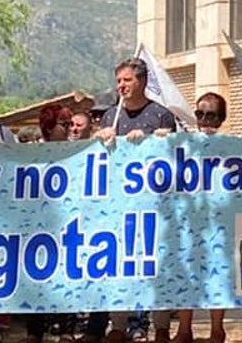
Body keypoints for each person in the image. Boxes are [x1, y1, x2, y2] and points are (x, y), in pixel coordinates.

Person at [94, 59, 177, 343]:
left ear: (141, 81)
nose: (121, 86)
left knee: (157, 266)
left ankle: (161, 326)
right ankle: (118, 324)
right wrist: (100, 138)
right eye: (118, 81)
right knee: (119, 265)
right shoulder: (109, 117)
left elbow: (175, 156)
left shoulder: (161, 115)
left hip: (154, 206)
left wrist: (155, 140)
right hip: (118, 207)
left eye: (127, 80)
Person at [152, 92, 228, 343]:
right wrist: (162, 140)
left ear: (221, 118)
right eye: (199, 113)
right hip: (188, 220)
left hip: (219, 220)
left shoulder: (231, 145)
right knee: (187, 271)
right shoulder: (184, 142)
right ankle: (184, 329)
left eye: (211, 114)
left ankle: (217, 329)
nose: (204, 119)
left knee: (217, 272)